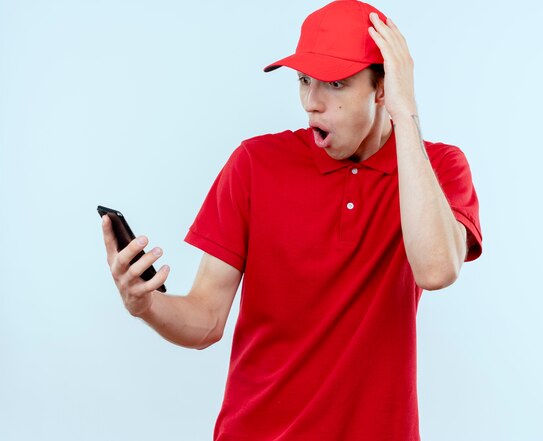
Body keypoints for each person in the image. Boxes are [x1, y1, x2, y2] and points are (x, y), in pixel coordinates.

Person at [101, 1, 482, 439]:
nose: (311, 103)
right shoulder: (254, 164)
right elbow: (205, 320)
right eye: (304, 80)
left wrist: (406, 115)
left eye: (336, 84)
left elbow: (436, 269)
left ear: (383, 87)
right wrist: (145, 304)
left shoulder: (435, 167)